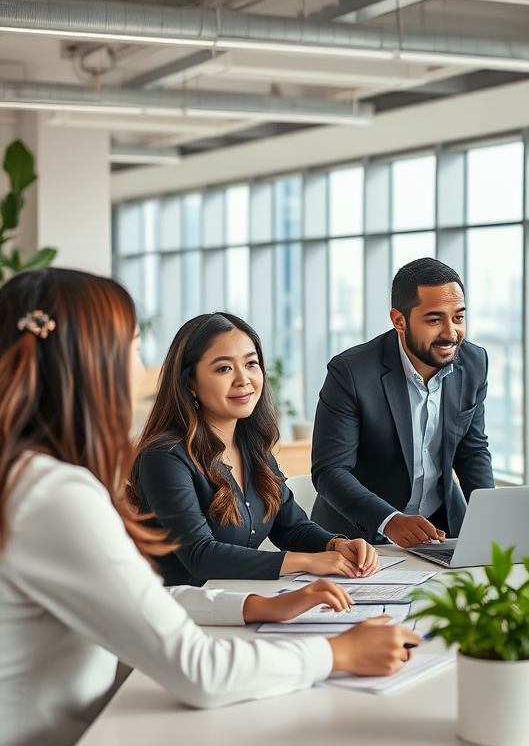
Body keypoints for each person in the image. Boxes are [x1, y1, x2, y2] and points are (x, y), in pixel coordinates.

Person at [0, 268, 420, 746]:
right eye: (134, 345)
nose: (140, 368)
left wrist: (264, 605)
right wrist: (336, 653)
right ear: (90, 360)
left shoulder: (30, 479)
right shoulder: (55, 496)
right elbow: (199, 670)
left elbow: (142, 596)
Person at [132, 313, 379, 587]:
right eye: (224, 368)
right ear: (189, 382)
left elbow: (292, 528)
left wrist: (335, 545)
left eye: (251, 364)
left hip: (241, 604)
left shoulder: (253, 449)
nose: (244, 379)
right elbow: (200, 555)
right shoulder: (164, 457)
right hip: (185, 613)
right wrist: (308, 561)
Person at [310, 258, 493, 547]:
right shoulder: (351, 372)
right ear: (399, 320)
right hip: (361, 539)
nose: (450, 333)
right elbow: (330, 471)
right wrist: (389, 520)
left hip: (442, 531)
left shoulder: (474, 363)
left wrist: (491, 517)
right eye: (434, 320)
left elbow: (472, 451)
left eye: (458, 317)